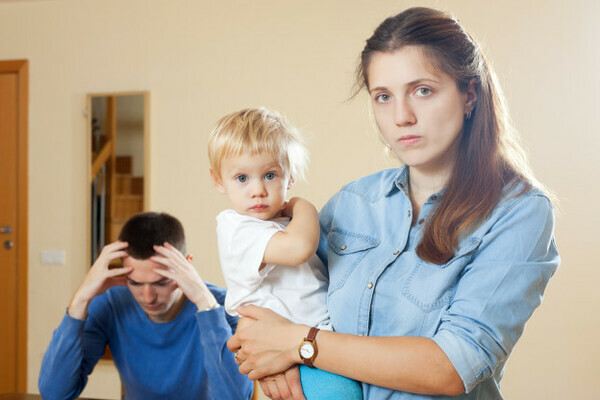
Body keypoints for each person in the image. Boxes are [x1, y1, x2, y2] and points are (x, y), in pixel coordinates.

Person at [227, 7, 560, 400]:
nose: (402, 116)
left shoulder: (520, 213)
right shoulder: (352, 202)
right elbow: (271, 304)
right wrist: (265, 359)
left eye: (423, 90)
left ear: (469, 94)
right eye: (383, 97)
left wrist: (301, 344)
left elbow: (452, 366)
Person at [208, 107, 362, 399]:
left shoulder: (281, 224)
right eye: (242, 178)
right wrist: (302, 205)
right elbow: (299, 248)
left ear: (289, 176)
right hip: (293, 354)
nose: (257, 190)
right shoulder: (236, 228)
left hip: (315, 342)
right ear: (218, 181)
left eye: (269, 175)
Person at [38, 212, 253, 399]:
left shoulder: (224, 306)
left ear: (186, 265)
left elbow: (235, 397)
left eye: (161, 282)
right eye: (135, 283)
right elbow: (55, 393)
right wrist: (80, 300)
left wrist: (205, 304)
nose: (148, 297)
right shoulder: (111, 304)